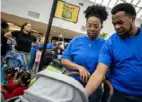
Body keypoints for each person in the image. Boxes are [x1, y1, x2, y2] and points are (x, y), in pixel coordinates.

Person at [85, 3, 142, 102]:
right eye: (114, 23)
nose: (116, 27)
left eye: (120, 22)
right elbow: (98, 74)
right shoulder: (110, 43)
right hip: (116, 93)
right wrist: (82, 96)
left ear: (133, 19)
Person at [61, 4, 108, 102]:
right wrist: (79, 67)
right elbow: (64, 60)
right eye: (89, 25)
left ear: (101, 26)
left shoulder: (105, 45)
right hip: (73, 84)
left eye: (96, 26)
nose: (91, 29)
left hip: (94, 89)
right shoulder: (76, 40)